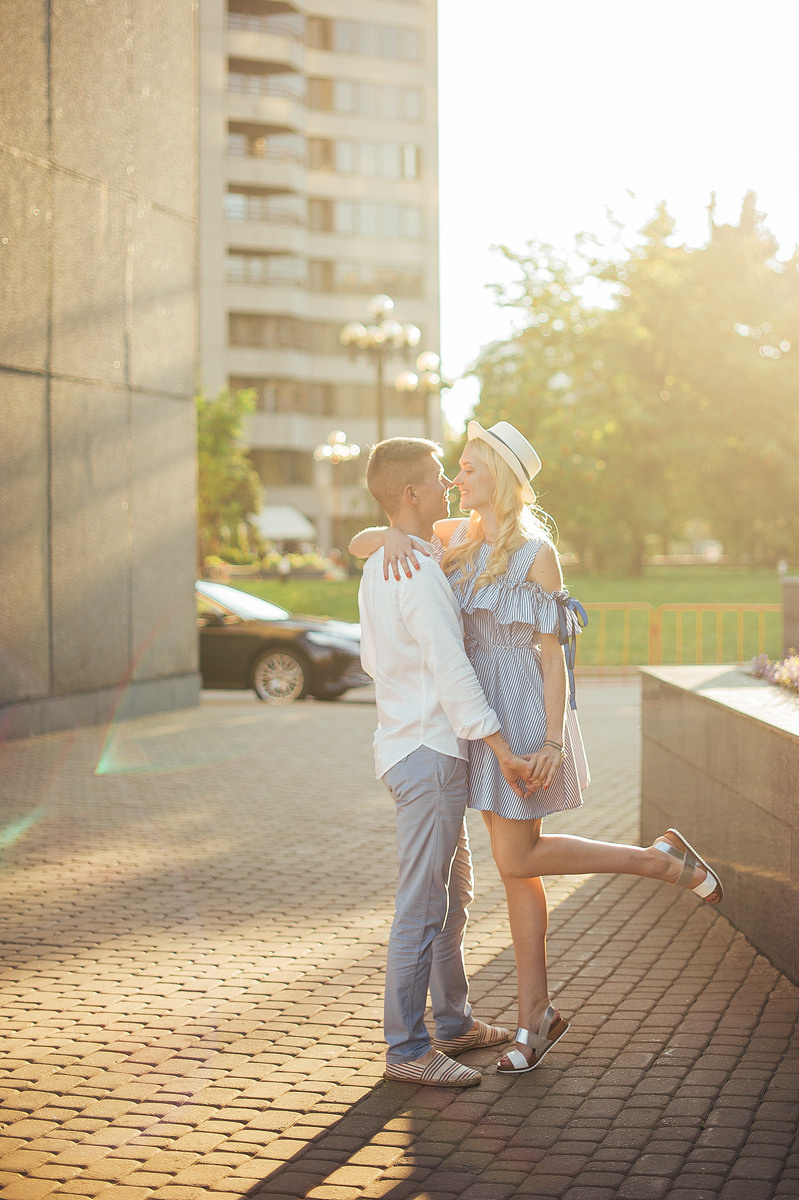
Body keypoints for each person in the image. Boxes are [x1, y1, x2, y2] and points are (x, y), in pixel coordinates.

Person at [351, 420, 723, 1075]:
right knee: (515, 866)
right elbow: (370, 536)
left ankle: (653, 870)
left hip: (516, 711)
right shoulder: (451, 536)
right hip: (469, 717)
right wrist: (384, 533)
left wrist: (551, 739)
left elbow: (553, 659)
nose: (456, 479)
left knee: (516, 857)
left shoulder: (535, 551)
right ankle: (535, 1013)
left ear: (499, 475)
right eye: (452, 469)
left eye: (467, 468)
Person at [359, 437, 540, 1088]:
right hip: (428, 756)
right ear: (410, 494)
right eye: (437, 477)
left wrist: (377, 537)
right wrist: (503, 751)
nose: (445, 486)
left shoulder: (387, 561)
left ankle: (453, 1022)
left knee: (453, 895)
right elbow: (451, 669)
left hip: (407, 748)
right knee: (421, 907)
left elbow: (373, 661)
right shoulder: (418, 573)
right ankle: (407, 1048)